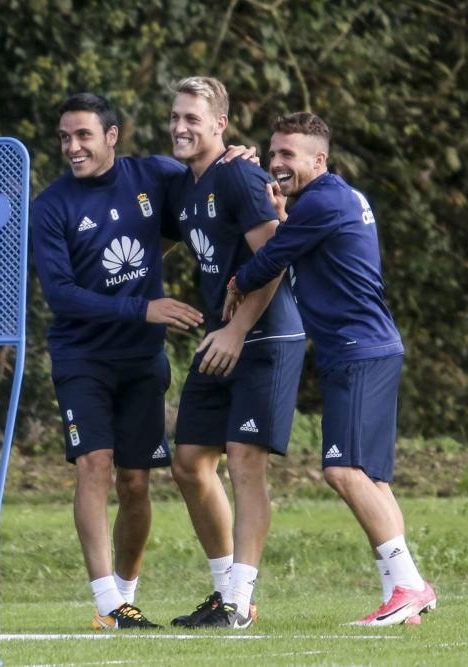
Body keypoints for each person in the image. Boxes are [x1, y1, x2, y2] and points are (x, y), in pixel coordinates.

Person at [223, 111, 437, 626]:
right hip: (370, 348)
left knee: (343, 471)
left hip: (359, 351)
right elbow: (300, 239)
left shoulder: (322, 200)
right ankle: (403, 594)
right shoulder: (335, 197)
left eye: (288, 155)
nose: (277, 163)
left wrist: (237, 281)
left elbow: (273, 257)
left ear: (319, 159)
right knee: (373, 479)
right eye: (273, 153)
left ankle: (408, 586)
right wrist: (282, 211)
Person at [31, 93, 204, 630]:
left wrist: (237, 158)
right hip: (81, 357)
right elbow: (60, 295)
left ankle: (125, 598)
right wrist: (142, 307)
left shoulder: (152, 175)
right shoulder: (51, 205)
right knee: (94, 465)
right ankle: (106, 599)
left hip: (141, 360)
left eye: (83, 135)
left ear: (112, 135)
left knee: (136, 483)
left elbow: (208, 186)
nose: (72, 147)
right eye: (64, 137)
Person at [163, 77, 306, 629]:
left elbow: (275, 257)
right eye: (175, 117)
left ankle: (240, 602)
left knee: (244, 464)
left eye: (192, 119)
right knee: (190, 464)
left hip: (263, 338)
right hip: (222, 337)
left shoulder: (243, 175)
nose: (180, 127)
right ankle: (226, 592)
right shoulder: (185, 184)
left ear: (220, 123)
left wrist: (237, 331)